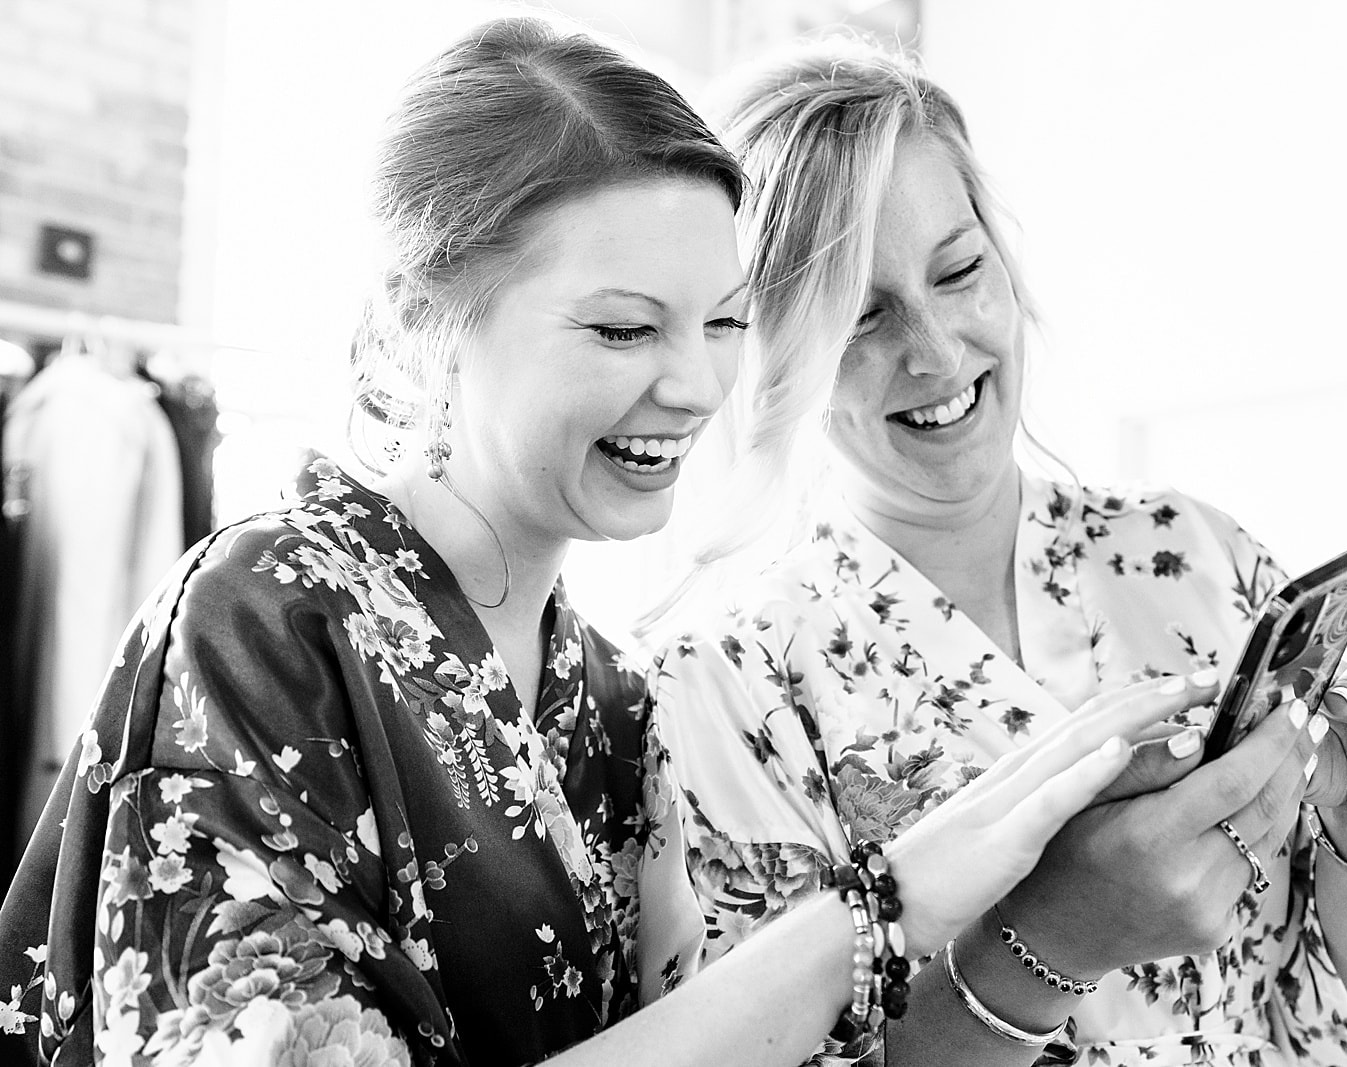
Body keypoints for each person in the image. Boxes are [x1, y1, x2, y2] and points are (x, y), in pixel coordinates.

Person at [0, 18, 1215, 1067]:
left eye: (724, 323)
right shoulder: (269, 616)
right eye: (625, 329)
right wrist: (890, 900)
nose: (694, 385)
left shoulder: (615, 701)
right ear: (427, 321)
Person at [640, 39, 1347, 1067]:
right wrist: (1052, 939)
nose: (938, 351)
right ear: (764, 349)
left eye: (959, 271)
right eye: (861, 317)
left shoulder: (1192, 552)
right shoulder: (722, 687)